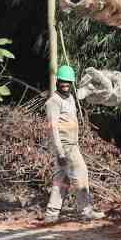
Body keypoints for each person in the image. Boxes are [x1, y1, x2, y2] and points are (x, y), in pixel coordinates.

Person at [44, 64, 101, 223]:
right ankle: (86, 211)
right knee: (81, 176)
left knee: (61, 181)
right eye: (63, 82)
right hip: (66, 147)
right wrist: (60, 152)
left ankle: (51, 214)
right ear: (57, 82)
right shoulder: (53, 102)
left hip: (71, 145)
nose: (65, 85)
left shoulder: (69, 98)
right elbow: (53, 129)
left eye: (68, 82)